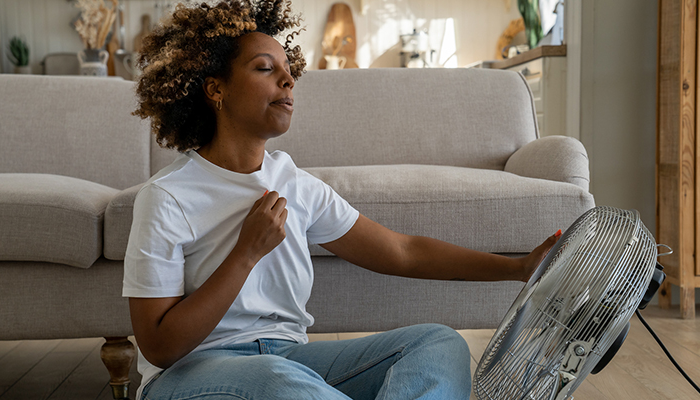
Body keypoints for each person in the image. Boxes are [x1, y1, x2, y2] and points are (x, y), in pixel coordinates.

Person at [125, 1, 560, 399]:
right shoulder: (167, 197)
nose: (288, 78)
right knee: (280, 384)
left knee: (437, 343)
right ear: (215, 89)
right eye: (264, 68)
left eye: (287, 68)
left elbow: (403, 252)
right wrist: (245, 253)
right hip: (190, 374)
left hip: (289, 361)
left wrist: (518, 269)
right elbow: (161, 348)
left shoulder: (294, 184)